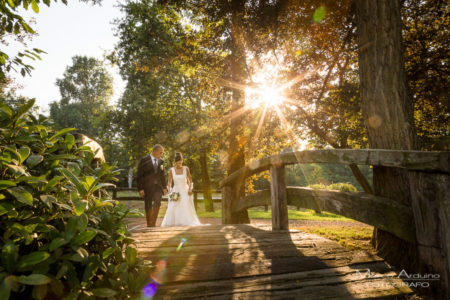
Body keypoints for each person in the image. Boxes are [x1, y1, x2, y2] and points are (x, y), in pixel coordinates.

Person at [161, 152, 202, 227]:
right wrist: (170, 192)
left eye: (180, 163)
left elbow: (190, 181)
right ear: (174, 163)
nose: (178, 165)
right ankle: (175, 223)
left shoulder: (186, 169)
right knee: (174, 207)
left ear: (182, 161)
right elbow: (169, 183)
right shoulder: (171, 170)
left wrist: (190, 189)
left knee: (185, 206)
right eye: (177, 163)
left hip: (185, 191)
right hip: (175, 191)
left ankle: (185, 223)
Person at [137, 144, 167, 227]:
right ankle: (149, 223)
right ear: (154, 151)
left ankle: (153, 223)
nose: (162, 154)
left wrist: (164, 187)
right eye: (160, 152)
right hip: (147, 187)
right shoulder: (144, 160)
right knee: (148, 205)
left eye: (162, 153)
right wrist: (140, 189)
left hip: (158, 187)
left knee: (157, 203)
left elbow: (162, 175)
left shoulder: (161, 162)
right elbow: (139, 175)